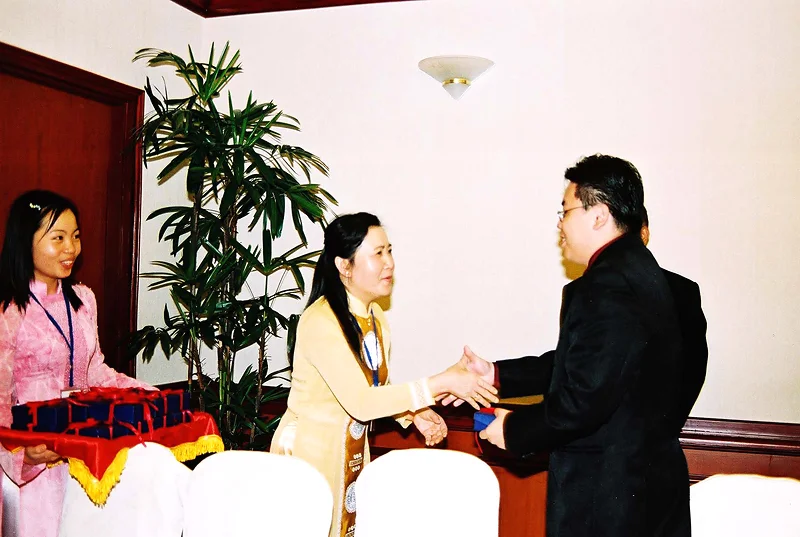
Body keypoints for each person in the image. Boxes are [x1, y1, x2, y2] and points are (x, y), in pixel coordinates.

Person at [459, 155, 690, 537]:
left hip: (607, 499)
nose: (560, 224)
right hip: (648, 487)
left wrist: (514, 429)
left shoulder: (607, 283)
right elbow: (590, 366)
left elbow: (585, 397)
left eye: (565, 211)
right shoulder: (644, 274)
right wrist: (497, 374)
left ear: (598, 215)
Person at [270, 212, 498, 537]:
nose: (389, 263)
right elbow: (360, 402)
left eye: (389, 251)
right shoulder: (321, 321)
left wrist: (412, 414)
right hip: (310, 457)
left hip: (350, 453)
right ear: (344, 266)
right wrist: (440, 383)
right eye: (377, 254)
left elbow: (374, 386)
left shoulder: (375, 316)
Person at [0, 190, 153, 537]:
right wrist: (20, 455)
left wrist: (146, 393)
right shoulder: (8, 310)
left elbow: (93, 371)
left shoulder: (83, 300)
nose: (71, 248)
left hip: (83, 454)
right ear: (25, 241)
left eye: (76, 236)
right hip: (34, 460)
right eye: (58, 238)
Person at [641, 207, 708, 434]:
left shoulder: (681, 291)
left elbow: (694, 367)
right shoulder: (579, 291)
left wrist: (664, 429)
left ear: (644, 234)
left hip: (657, 440)